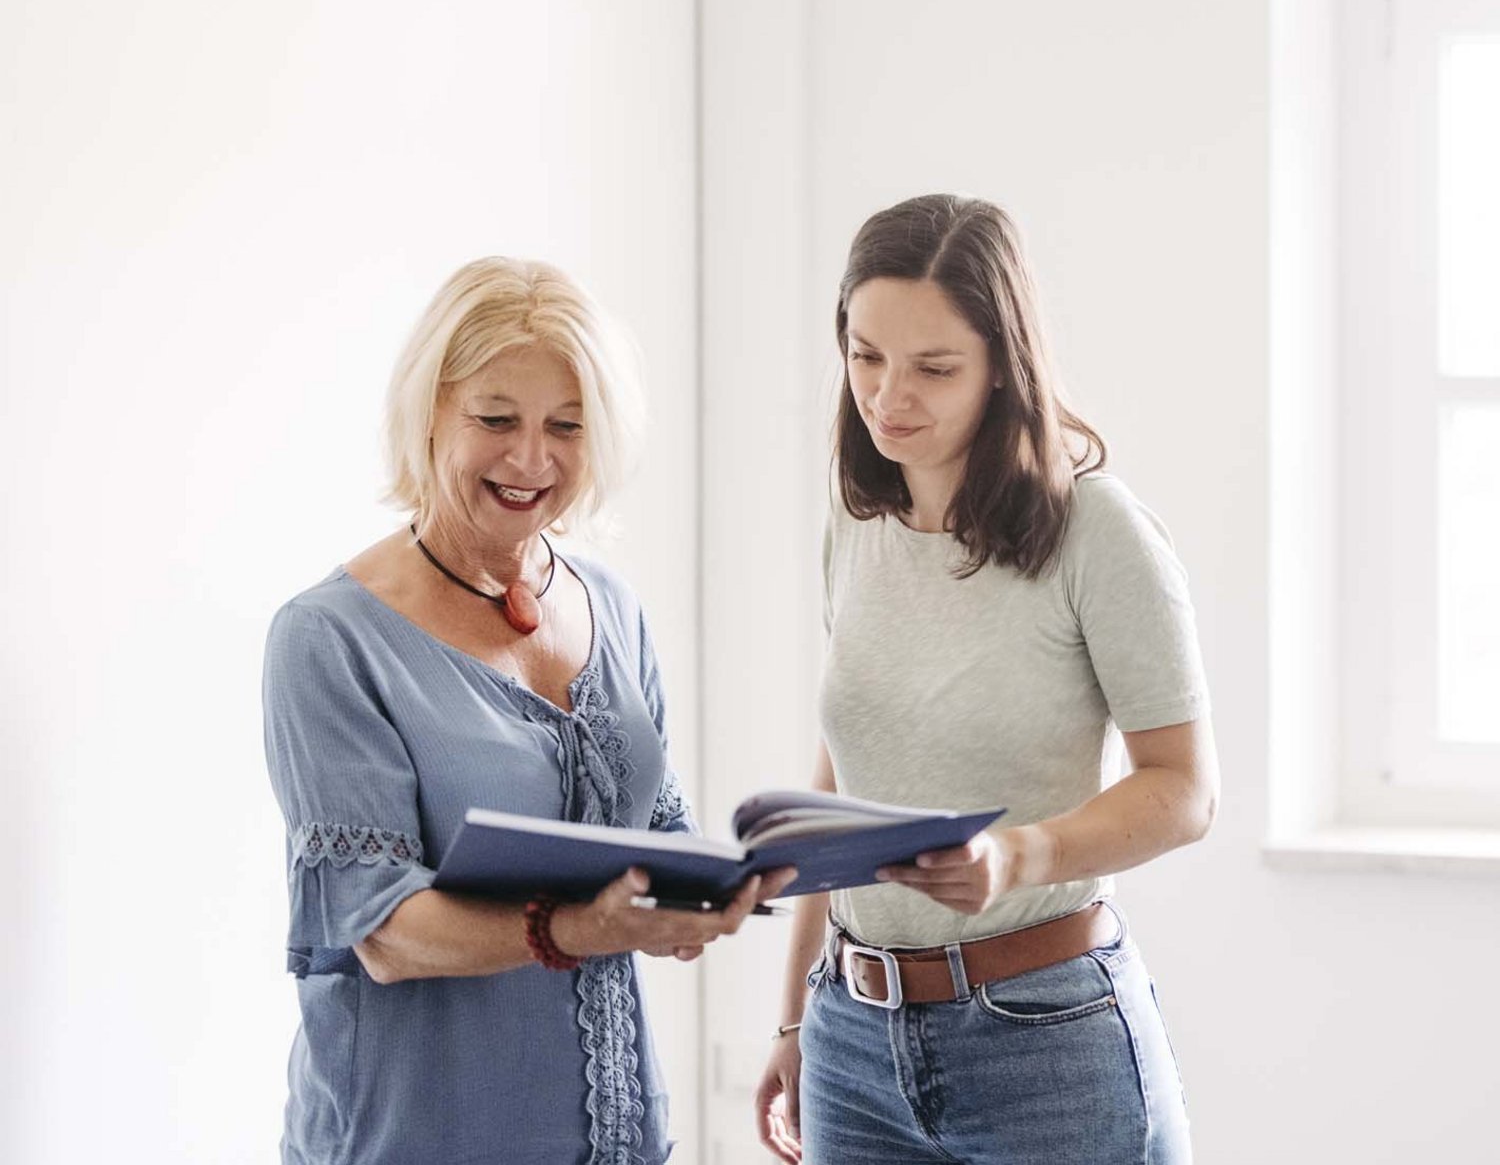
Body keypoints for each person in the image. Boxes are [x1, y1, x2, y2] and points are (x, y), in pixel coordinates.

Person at [264, 257, 790, 1165]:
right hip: (420, 1137)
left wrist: (715, 890)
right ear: (430, 412)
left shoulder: (612, 607)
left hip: (618, 1137)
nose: (531, 459)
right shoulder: (328, 639)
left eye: (566, 426)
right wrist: (582, 929)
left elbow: (655, 829)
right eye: (496, 419)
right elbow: (382, 933)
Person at [754, 195, 1218, 1164]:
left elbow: (1184, 791)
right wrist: (797, 1016)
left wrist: (1017, 856)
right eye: (865, 354)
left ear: (1003, 364)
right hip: (853, 1036)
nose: (887, 396)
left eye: (933, 367)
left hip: (1045, 1035)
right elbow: (843, 772)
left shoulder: (1098, 533)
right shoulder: (857, 523)